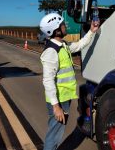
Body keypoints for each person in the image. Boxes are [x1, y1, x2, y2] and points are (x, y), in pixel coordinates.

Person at [39, 13, 99, 150]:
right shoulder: (51, 51)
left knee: (57, 131)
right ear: (56, 30)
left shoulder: (63, 46)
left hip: (64, 97)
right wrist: (56, 106)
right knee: (54, 133)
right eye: (63, 25)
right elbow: (48, 80)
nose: (65, 26)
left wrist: (91, 31)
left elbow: (78, 46)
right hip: (58, 100)